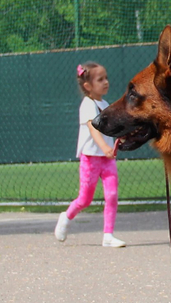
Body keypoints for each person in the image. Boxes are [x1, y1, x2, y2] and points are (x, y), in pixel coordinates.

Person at [54, 62, 125, 248]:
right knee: (85, 199)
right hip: (91, 159)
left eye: (106, 78)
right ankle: (66, 216)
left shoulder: (106, 104)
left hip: (107, 160)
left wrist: (123, 137)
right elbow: (94, 129)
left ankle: (108, 235)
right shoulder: (87, 105)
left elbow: (111, 128)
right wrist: (104, 148)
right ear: (88, 86)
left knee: (112, 195)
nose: (106, 82)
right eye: (100, 79)